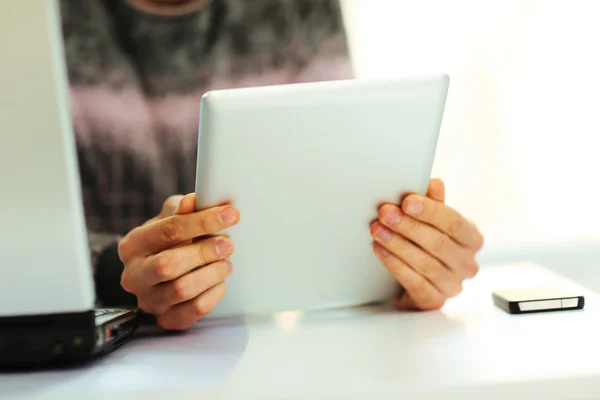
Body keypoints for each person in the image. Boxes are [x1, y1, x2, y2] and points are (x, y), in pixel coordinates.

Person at [62, 0, 484, 331]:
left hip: (266, 353)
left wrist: (400, 268)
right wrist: (116, 270)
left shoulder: (299, 8)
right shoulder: (38, 20)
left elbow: (334, 190)